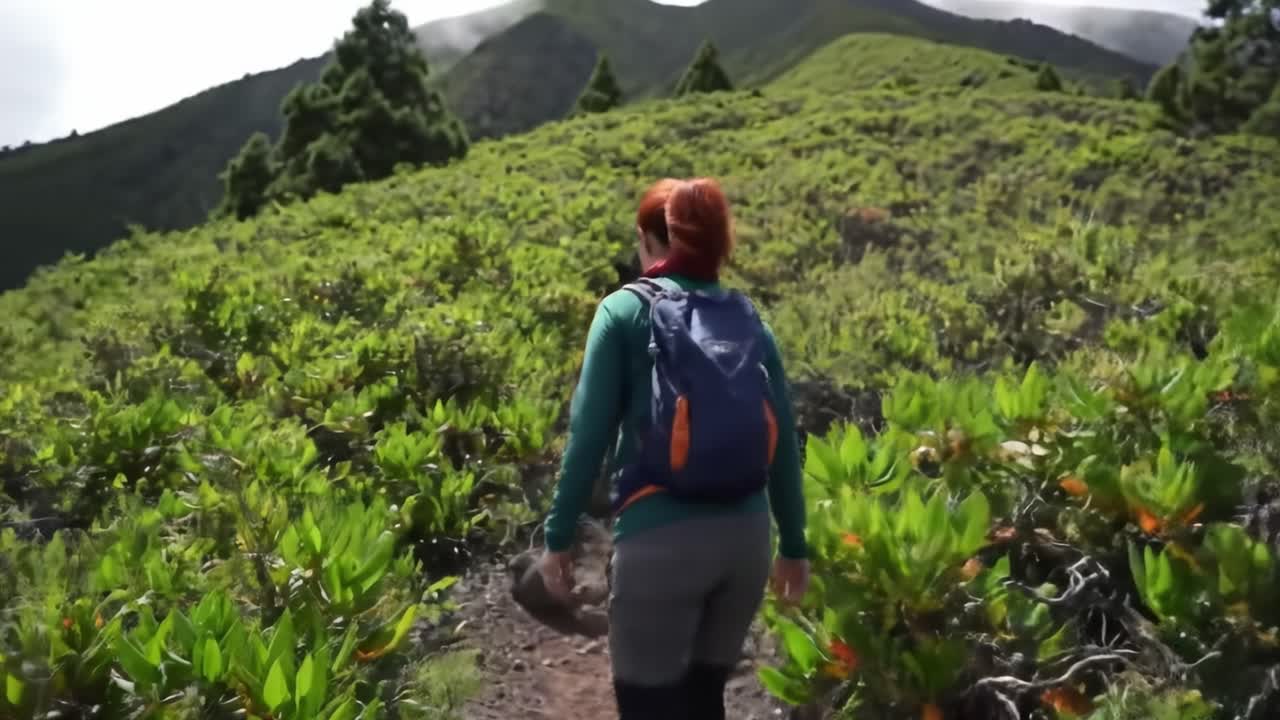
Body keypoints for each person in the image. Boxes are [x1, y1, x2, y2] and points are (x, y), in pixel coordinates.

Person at [537, 176, 810, 719]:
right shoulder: (749, 318)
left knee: (649, 707)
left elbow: (588, 438)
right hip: (746, 541)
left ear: (647, 241)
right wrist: (794, 546)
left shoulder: (622, 312)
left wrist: (558, 537)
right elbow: (783, 441)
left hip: (660, 542)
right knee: (704, 701)